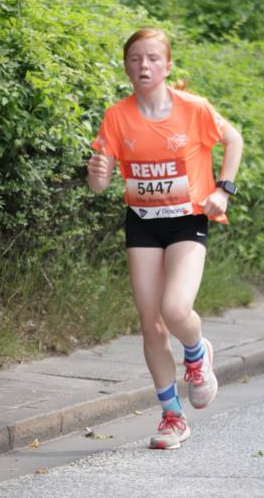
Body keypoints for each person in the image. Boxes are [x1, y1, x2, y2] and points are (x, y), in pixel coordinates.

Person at [87, 27, 244, 450]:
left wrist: (223, 190)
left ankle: (196, 352)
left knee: (175, 309)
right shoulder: (117, 116)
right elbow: (99, 183)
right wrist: (97, 174)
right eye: (135, 58)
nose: (144, 66)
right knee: (151, 323)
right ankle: (172, 417)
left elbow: (234, 140)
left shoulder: (193, 109)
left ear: (167, 66)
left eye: (153, 58)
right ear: (126, 67)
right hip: (142, 222)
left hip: (187, 220)